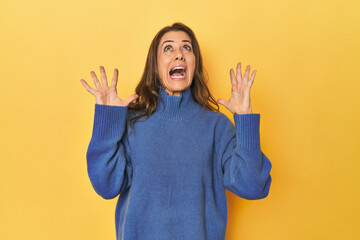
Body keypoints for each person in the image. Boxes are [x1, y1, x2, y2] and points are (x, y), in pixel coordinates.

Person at [80, 22, 272, 240]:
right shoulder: (131, 122)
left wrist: (245, 118)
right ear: (155, 65)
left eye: (186, 48)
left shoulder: (217, 127)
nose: (179, 54)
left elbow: (252, 186)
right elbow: (106, 186)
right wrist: (108, 123)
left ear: (194, 64)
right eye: (168, 48)